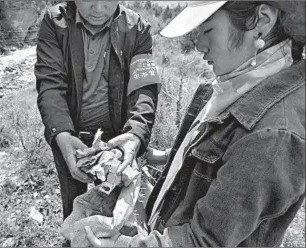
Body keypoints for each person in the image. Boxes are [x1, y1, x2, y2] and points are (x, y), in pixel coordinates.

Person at [85, 1, 305, 247]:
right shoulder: (237, 85)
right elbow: (221, 160)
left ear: (261, 21)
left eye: (208, 30)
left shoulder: (271, 136)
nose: (199, 44)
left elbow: (202, 241)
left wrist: (121, 246)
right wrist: (158, 156)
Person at [35, 0, 160, 226]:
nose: (99, 9)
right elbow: (50, 85)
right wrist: (62, 135)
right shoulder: (55, 22)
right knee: (74, 209)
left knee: (117, 214)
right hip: (70, 139)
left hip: (116, 140)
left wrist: (135, 133)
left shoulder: (137, 28)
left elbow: (144, 90)